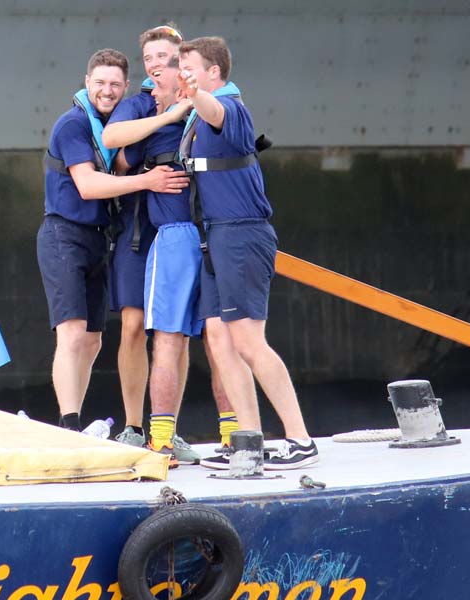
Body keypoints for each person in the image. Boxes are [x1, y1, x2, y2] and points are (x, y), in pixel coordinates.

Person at [173, 37, 319, 469]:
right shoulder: (195, 120)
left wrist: (194, 93)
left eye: (190, 68)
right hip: (216, 237)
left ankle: (300, 440)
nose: (183, 76)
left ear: (214, 73)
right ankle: (248, 440)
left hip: (242, 235)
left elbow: (213, 110)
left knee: (251, 342)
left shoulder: (228, 109)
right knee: (220, 340)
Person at [38, 48, 187, 431]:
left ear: (125, 89)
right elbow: (87, 186)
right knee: (71, 334)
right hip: (63, 235)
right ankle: (69, 425)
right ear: (87, 83)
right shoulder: (73, 124)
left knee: (92, 340)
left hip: (99, 238)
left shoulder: (117, 125)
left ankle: (78, 423)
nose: (108, 91)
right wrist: (148, 180)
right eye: (100, 83)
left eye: (115, 85)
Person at [98, 25, 226, 463]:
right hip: (146, 231)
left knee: (198, 335)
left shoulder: (205, 105)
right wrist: (164, 124)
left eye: (167, 58)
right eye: (150, 58)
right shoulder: (141, 103)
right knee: (141, 328)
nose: (156, 65)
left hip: (197, 234)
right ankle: (141, 428)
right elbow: (113, 144)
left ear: (185, 63)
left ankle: (201, 435)